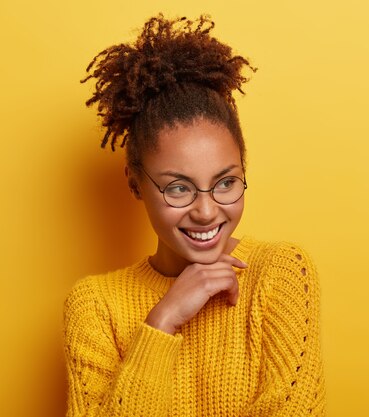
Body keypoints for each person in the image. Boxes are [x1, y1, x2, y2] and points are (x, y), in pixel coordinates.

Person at [63, 14, 325, 416]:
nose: (206, 212)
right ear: (135, 183)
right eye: (178, 188)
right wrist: (162, 322)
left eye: (225, 182)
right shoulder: (95, 305)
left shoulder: (279, 274)